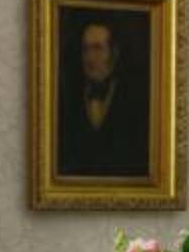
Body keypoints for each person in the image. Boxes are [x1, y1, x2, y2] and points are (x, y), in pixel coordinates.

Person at [55, 14, 152, 178]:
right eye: (86, 49)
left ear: (114, 54)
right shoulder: (68, 98)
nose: (90, 58)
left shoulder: (135, 100)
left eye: (98, 48)